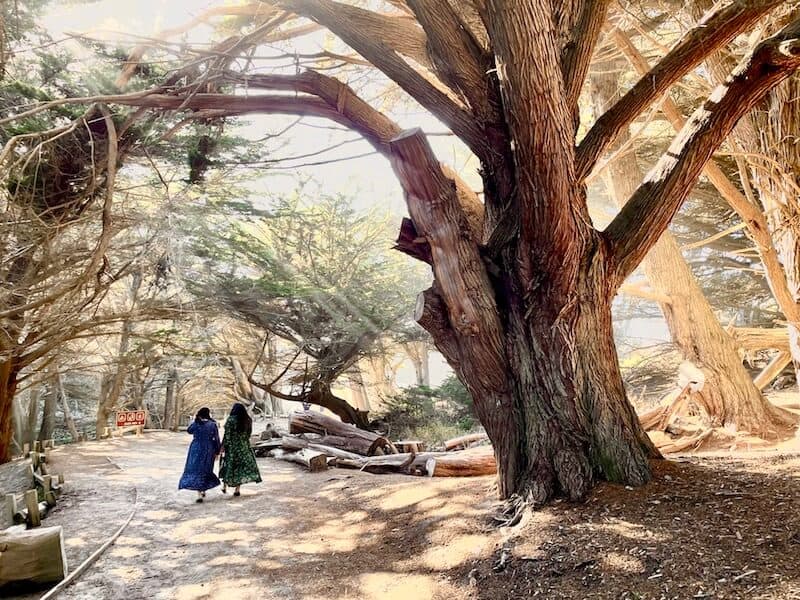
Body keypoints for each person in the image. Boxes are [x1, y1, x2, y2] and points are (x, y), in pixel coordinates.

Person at [178, 407, 221, 502]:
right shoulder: (212, 424)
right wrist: (217, 451)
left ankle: (199, 493)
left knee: (195, 469)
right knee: (206, 469)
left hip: (196, 448)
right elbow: (216, 438)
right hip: (209, 449)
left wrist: (194, 420)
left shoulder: (196, 423)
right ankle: (203, 489)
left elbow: (189, 430)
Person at [219, 403, 262, 496]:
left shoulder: (230, 420)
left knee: (229, 466)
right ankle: (237, 490)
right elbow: (248, 434)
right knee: (240, 468)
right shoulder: (248, 420)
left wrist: (223, 446)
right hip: (244, 447)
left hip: (232, 448)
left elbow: (227, 435)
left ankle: (224, 486)